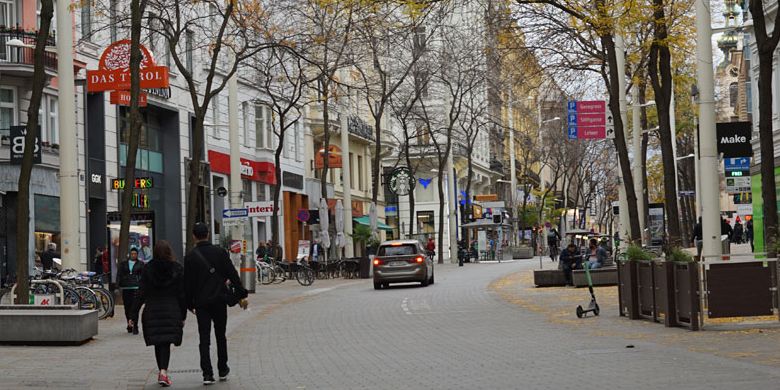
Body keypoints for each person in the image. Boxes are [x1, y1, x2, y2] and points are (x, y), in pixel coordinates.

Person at [185, 222, 242, 385]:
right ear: (208, 234)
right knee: (220, 335)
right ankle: (223, 368)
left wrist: (189, 304)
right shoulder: (220, 252)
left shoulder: (190, 257)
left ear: (194, 236)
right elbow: (232, 273)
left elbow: (187, 284)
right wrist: (240, 292)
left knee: (204, 337)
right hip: (219, 300)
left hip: (201, 303)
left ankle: (207, 374)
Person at [134, 241, 186, 387]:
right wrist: (183, 314)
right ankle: (163, 372)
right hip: (171, 310)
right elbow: (182, 294)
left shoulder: (148, 268)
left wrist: (133, 314)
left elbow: (141, 292)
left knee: (159, 342)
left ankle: (162, 371)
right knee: (166, 342)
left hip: (152, 310)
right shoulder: (177, 269)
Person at [118, 247, 145, 334]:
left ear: (137, 255)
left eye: (135, 254)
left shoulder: (140, 264)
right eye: (132, 254)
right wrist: (117, 286)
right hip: (126, 287)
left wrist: (142, 285)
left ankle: (135, 325)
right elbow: (119, 275)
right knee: (127, 308)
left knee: (135, 307)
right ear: (129, 254)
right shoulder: (123, 264)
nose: (133, 255)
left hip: (136, 288)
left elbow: (143, 276)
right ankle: (129, 323)